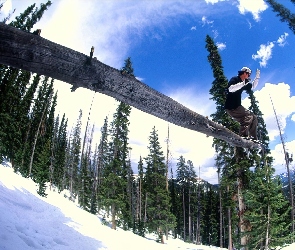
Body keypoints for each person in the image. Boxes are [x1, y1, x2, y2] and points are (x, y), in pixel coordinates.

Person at [224, 67, 260, 141]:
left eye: (249, 75)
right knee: (248, 116)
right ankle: (243, 136)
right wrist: (243, 84)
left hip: (237, 107)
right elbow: (230, 89)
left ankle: (253, 138)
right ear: (243, 73)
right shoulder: (235, 79)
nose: (248, 76)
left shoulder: (244, 83)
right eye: (248, 74)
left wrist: (257, 78)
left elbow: (252, 86)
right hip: (231, 107)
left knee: (254, 117)